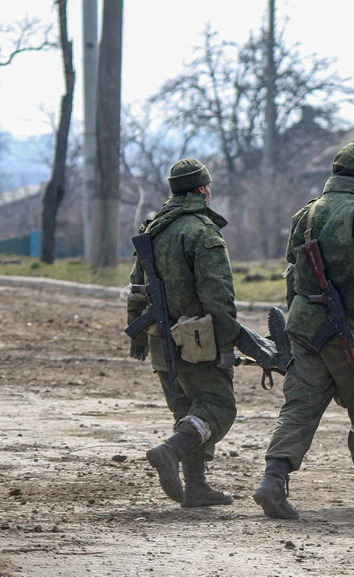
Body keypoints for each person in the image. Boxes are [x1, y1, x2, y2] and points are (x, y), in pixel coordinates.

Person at [252, 141, 354, 519]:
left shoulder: (306, 214)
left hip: (304, 325)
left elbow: (293, 270)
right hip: (348, 329)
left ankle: (273, 481)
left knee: (300, 406)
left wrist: (295, 320)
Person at [127, 158, 240, 508]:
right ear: (203, 189)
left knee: (188, 411)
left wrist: (137, 337)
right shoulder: (201, 230)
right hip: (197, 341)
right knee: (219, 406)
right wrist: (226, 345)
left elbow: (136, 287)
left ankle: (196, 486)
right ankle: (170, 451)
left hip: (159, 339)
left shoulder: (153, 228)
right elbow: (217, 294)